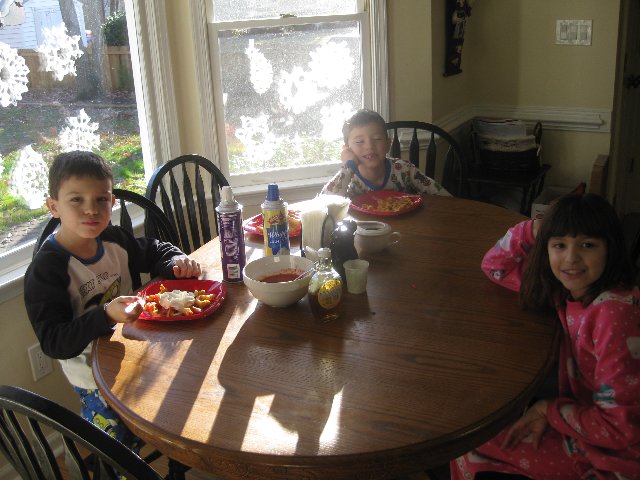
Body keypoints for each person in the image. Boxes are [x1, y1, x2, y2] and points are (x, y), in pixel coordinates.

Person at [452, 193, 640, 480]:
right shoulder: (566, 291)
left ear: (610, 248)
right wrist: (536, 227)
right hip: (585, 422)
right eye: (559, 245)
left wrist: (548, 411)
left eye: (587, 245)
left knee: (467, 445)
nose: (571, 258)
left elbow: (620, 429)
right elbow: (495, 266)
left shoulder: (613, 315)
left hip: (617, 457)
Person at [24, 151, 202, 452]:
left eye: (101, 199)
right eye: (76, 200)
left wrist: (175, 262)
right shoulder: (47, 269)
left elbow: (155, 250)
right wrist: (105, 314)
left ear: (112, 202)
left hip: (137, 353)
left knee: (182, 399)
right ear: (54, 206)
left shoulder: (114, 239)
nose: (91, 210)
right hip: (94, 379)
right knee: (117, 452)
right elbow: (54, 341)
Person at [320, 109, 451, 198]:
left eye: (377, 139)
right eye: (359, 141)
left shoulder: (405, 170)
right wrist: (348, 166)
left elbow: (442, 195)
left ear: (388, 144)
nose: (369, 146)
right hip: (364, 230)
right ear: (347, 150)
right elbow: (324, 204)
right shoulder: (348, 178)